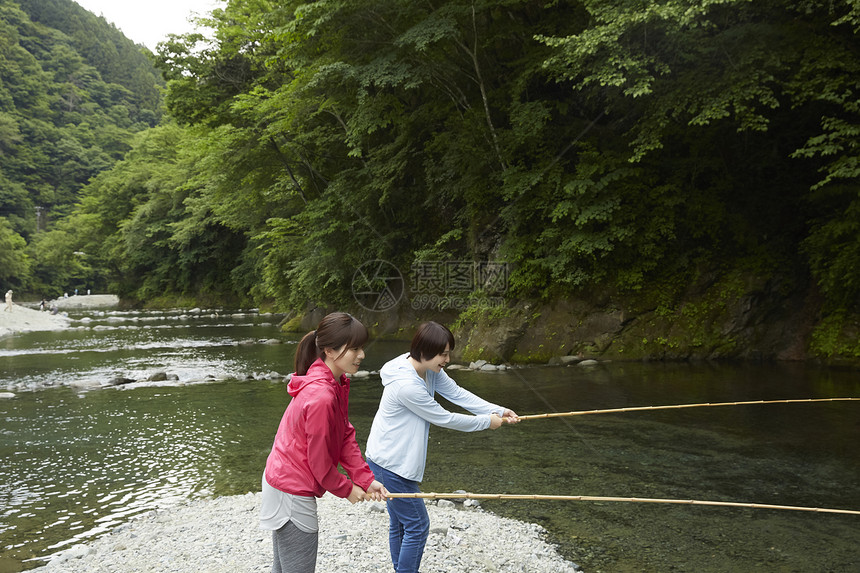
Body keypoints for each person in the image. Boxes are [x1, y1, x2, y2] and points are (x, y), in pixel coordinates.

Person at [365, 321, 519, 573]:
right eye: (443, 354)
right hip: (389, 464)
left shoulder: (428, 369)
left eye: (448, 353)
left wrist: (498, 410)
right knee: (417, 524)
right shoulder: (406, 385)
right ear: (424, 351)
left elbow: (457, 394)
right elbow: (444, 417)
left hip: (391, 461)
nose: (447, 359)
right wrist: (486, 423)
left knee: (402, 524)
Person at [261, 312, 388, 573]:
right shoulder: (321, 396)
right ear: (330, 350)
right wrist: (346, 489)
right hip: (291, 487)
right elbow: (319, 464)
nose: (362, 354)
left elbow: (343, 435)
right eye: (354, 348)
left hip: (284, 478)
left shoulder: (334, 382)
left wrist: (364, 479)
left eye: (361, 347)